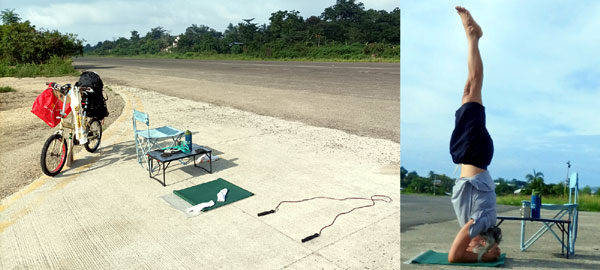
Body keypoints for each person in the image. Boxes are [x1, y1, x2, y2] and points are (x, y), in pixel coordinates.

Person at [447, 6, 502, 263]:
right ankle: (473, 36)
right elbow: (453, 257)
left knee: (468, 89)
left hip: (472, 155)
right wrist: (482, 257)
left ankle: (473, 37)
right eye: (481, 246)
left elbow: (461, 251)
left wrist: (483, 251)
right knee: (472, 88)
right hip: (474, 153)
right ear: (482, 242)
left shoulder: (479, 227)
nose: (473, 245)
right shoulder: (478, 224)